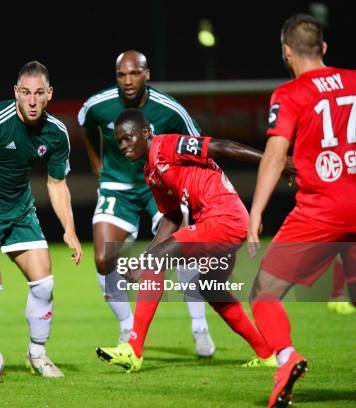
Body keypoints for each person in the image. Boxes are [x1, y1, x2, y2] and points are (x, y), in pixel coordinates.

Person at [96, 109, 294, 373]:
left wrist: (274, 162)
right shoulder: (151, 173)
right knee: (210, 289)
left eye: (128, 138)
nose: (123, 145)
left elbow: (222, 146)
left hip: (224, 219)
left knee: (156, 262)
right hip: (217, 224)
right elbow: (172, 217)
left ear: (145, 132)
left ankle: (133, 349)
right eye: (119, 141)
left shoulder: (168, 145)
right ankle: (266, 353)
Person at [247, 14, 356, 408]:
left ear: (286, 52)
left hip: (322, 212)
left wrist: (256, 211)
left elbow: (275, 155)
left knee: (265, 292)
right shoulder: (355, 80)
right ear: (324, 48)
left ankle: (286, 358)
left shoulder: (290, 93)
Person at [0, 61, 82, 378]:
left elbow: (57, 183)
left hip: (20, 212)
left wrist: (70, 229)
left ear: (49, 94)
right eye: (26, 93)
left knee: (44, 284)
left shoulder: (56, 132)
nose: (32, 101)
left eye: (38, 93)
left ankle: (37, 354)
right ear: (16, 92)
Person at [78, 50, 215, 356]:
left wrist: (191, 188)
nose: (128, 81)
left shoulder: (170, 110)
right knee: (102, 258)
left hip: (161, 184)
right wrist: (96, 162)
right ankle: (127, 326)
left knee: (184, 251)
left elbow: (198, 145)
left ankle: (199, 327)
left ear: (147, 74)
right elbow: (85, 124)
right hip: (117, 186)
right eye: (122, 75)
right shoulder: (99, 105)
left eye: (134, 73)